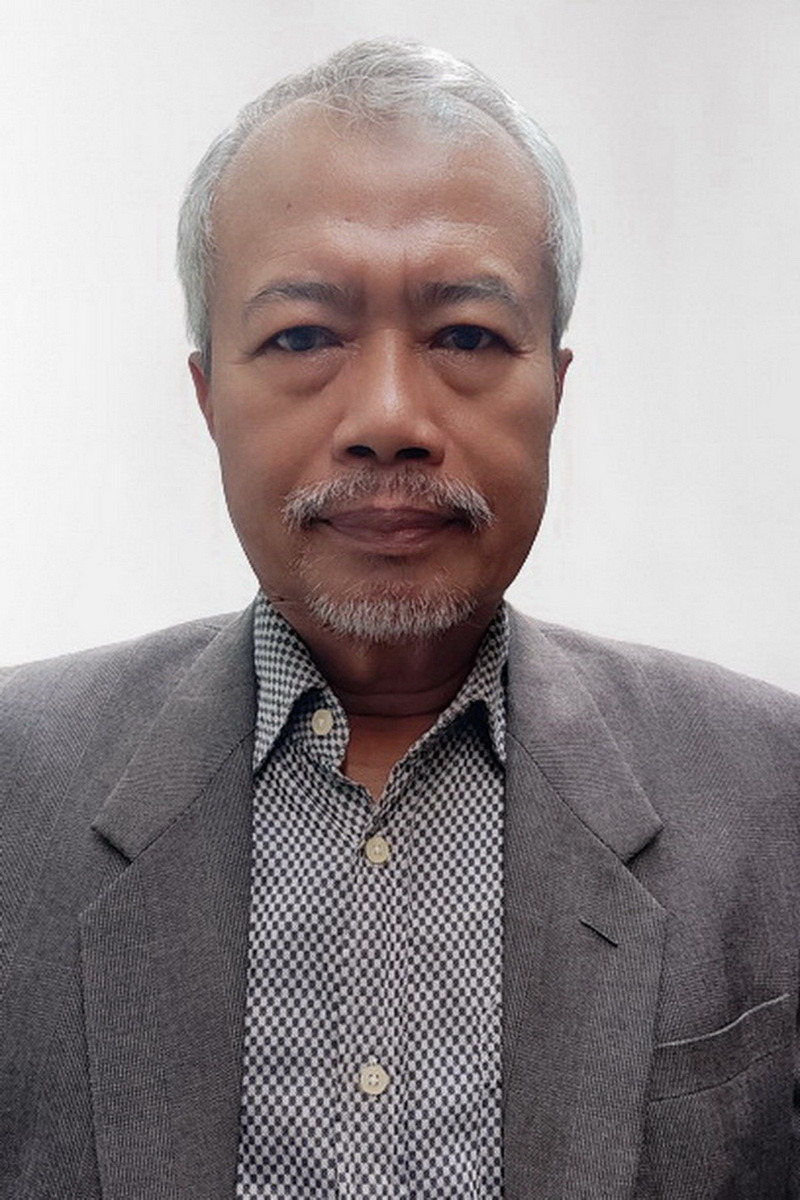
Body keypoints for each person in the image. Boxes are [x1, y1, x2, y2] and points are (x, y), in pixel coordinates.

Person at [1, 37, 799, 1200]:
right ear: (208, 396)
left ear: (555, 389)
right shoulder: (14, 793)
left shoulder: (773, 799)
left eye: (465, 336)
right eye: (302, 337)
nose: (386, 416)